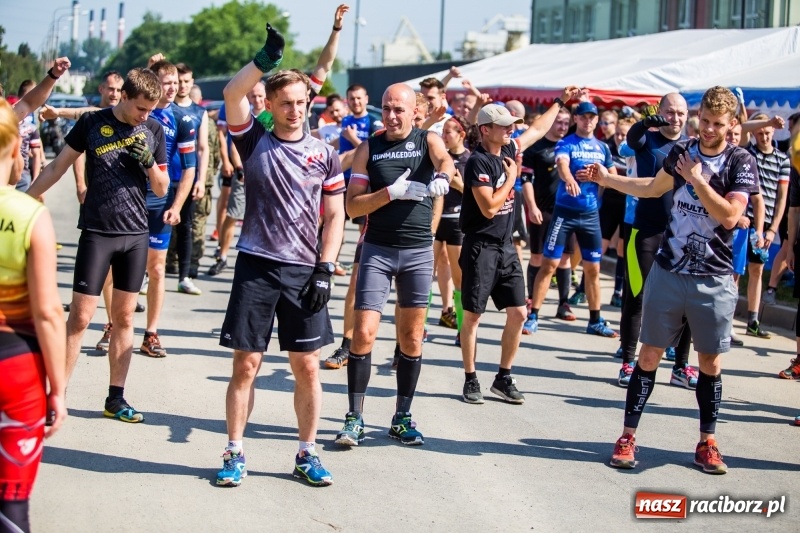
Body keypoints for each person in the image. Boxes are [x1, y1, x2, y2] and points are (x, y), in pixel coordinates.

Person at [589, 86, 760, 474]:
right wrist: (609, 179)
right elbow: (651, 189)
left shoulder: (740, 161)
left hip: (713, 278)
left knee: (709, 362)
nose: (710, 130)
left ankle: (707, 443)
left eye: (719, 124)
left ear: (732, 124)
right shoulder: (684, 154)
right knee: (647, 356)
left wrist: (697, 181)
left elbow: (730, 217)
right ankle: (628, 436)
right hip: (669, 270)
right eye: (706, 122)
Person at [215, 25, 346, 488]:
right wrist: (265, 60)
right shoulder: (254, 141)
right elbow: (233, 91)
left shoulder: (325, 154)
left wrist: (326, 268)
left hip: (304, 271)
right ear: (269, 105)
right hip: (256, 265)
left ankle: (306, 453)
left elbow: (335, 216)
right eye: (285, 102)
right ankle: (234, 451)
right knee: (246, 364)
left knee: (307, 365)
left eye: (301, 102)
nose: (295, 110)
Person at [27, 67, 170, 423]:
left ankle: (116, 398)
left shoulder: (152, 130)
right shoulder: (92, 123)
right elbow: (58, 166)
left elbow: (162, 187)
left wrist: (150, 163)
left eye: (150, 110)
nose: (145, 116)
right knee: (80, 318)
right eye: (140, 108)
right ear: (123, 96)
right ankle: (54, 396)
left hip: (135, 234)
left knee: (122, 317)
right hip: (97, 231)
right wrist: (25, 200)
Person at [334, 82, 454, 447]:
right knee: (364, 333)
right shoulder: (369, 148)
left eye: (399, 109)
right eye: (386, 108)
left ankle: (402, 418)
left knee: (412, 337)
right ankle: (354, 418)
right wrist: (390, 193)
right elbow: (352, 206)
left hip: (418, 252)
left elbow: (446, 159)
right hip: (378, 250)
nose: (392, 115)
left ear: (414, 110)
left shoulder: (426, 141)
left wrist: (443, 177)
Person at [458, 88, 580, 405]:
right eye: (505, 125)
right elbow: (488, 208)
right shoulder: (478, 163)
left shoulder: (510, 148)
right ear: (486, 130)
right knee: (472, 317)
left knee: (519, 314)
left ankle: (503, 376)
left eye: (512, 124)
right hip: (480, 246)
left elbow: (538, 129)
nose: (512, 129)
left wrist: (560, 102)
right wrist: (511, 178)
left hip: (506, 245)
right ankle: (471, 379)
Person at [0, 97, 67, 533]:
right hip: (15, 368)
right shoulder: (28, 214)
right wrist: (57, 390)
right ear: (11, 151)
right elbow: (47, 313)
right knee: (11, 504)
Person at [616, 94, 697, 389]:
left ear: (687, 115)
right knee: (637, 298)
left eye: (680, 113)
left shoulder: (691, 146)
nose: (674, 118)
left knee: (686, 302)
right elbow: (632, 137)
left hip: (681, 233)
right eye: (669, 112)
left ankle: (680, 367)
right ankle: (627, 361)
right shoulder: (647, 139)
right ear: (660, 112)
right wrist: (645, 123)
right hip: (645, 231)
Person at [526, 101, 618, 338]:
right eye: (584, 117)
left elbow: (613, 177)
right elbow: (562, 164)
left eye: (592, 117)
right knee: (549, 265)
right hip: (564, 213)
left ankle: (595, 319)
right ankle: (533, 315)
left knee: (593, 269)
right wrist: (569, 180)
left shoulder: (602, 148)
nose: (588, 121)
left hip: (590, 215)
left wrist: (600, 177)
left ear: (597, 120)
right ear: (576, 119)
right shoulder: (566, 143)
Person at [138, 59, 198, 358]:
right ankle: (111, 324)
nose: (172, 87)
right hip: (132, 197)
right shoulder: (137, 112)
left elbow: (190, 169)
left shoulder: (183, 120)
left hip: (164, 197)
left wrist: (177, 205)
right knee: (118, 267)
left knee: (157, 268)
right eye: (166, 82)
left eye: (176, 81)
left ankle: (151, 333)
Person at [520, 107, 575, 334]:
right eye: (558, 122)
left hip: (565, 210)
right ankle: (532, 299)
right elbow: (526, 179)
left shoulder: (571, 144)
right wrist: (531, 206)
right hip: (542, 210)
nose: (562, 127)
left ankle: (563, 303)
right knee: (537, 257)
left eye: (565, 123)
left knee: (565, 259)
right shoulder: (537, 147)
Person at [738, 113, 789, 338]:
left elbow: (781, 199)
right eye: (760, 132)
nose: (764, 136)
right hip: (742, 217)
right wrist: (766, 122)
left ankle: (753, 320)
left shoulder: (782, 159)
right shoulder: (747, 152)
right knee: (735, 269)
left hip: (765, 221)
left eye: (768, 132)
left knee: (757, 270)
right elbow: (742, 126)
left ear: (774, 133)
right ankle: (725, 318)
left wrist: (772, 229)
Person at [166, 63, 211, 281]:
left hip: (186, 178)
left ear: (192, 83)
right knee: (155, 226)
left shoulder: (198, 112)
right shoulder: (163, 107)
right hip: (162, 178)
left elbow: (203, 148)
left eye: (186, 81)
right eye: (178, 81)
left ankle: (184, 277)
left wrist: (201, 180)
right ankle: (148, 273)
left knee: (186, 227)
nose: (182, 86)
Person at [435, 116, 470, 345]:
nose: (445, 136)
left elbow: (479, 197)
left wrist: (459, 185)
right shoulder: (440, 157)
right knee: (425, 275)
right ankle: (420, 329)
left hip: (457, 221)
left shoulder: (470, 159)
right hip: (436, 220)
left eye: (449, 132)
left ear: (461, 134)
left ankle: (462, 328)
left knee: (459, 279)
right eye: (443, 131)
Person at [14, 81, 42, 194]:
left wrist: (36, 179)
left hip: (24, 176)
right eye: (34, 94)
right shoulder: (7, 119)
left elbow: (37, 154)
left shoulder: (31, 126)